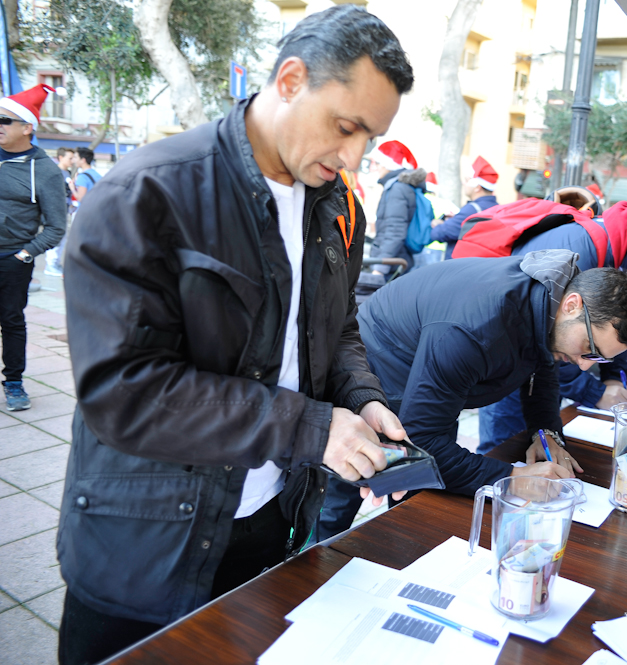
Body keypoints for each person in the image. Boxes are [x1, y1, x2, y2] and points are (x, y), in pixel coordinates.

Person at [56, 6, 415, 664]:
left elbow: (335, 329)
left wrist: (361, 396)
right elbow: (124, 390)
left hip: (269, 525)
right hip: (144, 543)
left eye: (373, 137)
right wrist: (312, 428)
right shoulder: (146, 194)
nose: (355, 155)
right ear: (289, 80)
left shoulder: (337, 206)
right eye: (345, 126)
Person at [316, 252, 627, 539]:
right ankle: (309, 565)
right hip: (379, 370)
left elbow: (543, 368)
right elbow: (423, 442)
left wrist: (546, 432)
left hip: (431, 370)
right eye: (589, 348)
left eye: (599, 358)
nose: (586, 366)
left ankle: (403, 547)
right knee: (349, 486)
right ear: (573, 305)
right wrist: (513, 477)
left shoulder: (549, 303)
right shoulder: (477, 328)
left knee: (421, 495)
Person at [475, 198, 627, 452]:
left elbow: (616, 325)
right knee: (504, 446)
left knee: (539, 434)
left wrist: (613, 377)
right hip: (509, 352)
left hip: (538, 361)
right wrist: (594, 393)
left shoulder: (620, 253)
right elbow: (555, 340)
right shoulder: (581, 256)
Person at [0, 84, 66, 412]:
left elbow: (56, 226)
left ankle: (13, 383)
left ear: (27, 128)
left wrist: (24, 255)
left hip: (12, 258)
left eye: (4, 120)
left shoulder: (46, 171)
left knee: (11, 322)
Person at [368, 139, 424, 274]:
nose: (375, 167)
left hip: (392, 264)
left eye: (378, 163)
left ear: (389, 165)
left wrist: (380, 268)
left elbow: (395, 231)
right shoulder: (399, 186)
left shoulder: (397, 189)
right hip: (396, 259)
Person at [430, 155, 499, 258]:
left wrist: (437, 224)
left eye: (467, 180)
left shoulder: (471, 210)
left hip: (458, 267)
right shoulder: (497, 208)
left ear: (477, 188)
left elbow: (438, 233)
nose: (463, 183)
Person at [44, 146, 76, 277]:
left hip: (64, 209)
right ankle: (50, 264)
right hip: (55, 210)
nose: (72, 161)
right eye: (70, 158)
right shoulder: (54, 173)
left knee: (62, 237)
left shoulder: (66, 173)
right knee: (56, 236)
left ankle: (55, 263)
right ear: (61, 158)